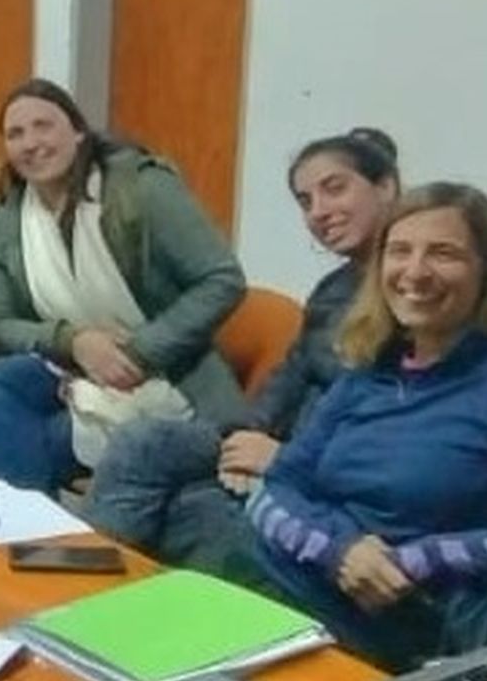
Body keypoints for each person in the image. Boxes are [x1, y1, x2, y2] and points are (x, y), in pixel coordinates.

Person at [239, 182, 487, 672]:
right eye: (400, 251)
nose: (415, 272)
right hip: (317, 581)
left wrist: (428, 558)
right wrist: (340, 551)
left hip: (423, 628)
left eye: (443, 253)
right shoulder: (367, 374)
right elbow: (277, 488)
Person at [87, 127, 401, 571]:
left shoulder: (419, 302)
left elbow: (392, 427)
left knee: (190, 511)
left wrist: (282, 460)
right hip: (281, 445)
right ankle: (86, 585)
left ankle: (111, 597)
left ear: (386, 187)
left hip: (323, 471)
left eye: (335, 189)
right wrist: (246, 439)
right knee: (146, 441)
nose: (320, 211)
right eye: (306, 201)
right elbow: (289, 377)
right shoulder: (333, 290)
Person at [0, 77, 245, 491]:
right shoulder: (7, 226)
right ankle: (21, 526)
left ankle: (22, 531)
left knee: (27, 446)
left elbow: (223, 278)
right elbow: (0, 321)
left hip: (168, 376)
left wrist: (139, 351)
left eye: (43, 125)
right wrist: (74, 340)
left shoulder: (142, 188)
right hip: (78, 373)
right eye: (15, 134)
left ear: (79, 131)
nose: (30, 142)